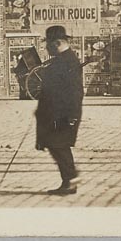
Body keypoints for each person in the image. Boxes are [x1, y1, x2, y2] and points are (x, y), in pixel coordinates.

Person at [36, 25, 84, 195]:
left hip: (63, 113)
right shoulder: (63, 59)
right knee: (57, 145)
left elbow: (75, 91)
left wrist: (71, 115)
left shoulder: (67, 61)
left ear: (57, 43)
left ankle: (70, 179)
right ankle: (70, 179)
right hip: (56, 112)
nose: (46, 48)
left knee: (58, 144)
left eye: (48, 44)